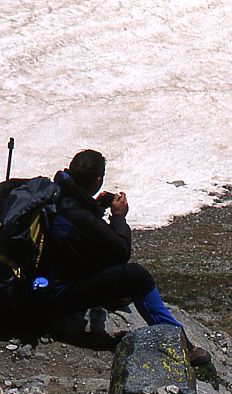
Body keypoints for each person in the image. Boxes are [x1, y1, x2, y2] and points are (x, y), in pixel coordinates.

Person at [46, 149, 210, 365]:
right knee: (137, 276)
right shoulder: (81, 216)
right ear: (98, 179)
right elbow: (120, 250)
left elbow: (79, 235)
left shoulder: (57, 195)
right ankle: (179, 344)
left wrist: (95, 206)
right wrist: (118, 217)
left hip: (39, 286)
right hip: (55, 298)